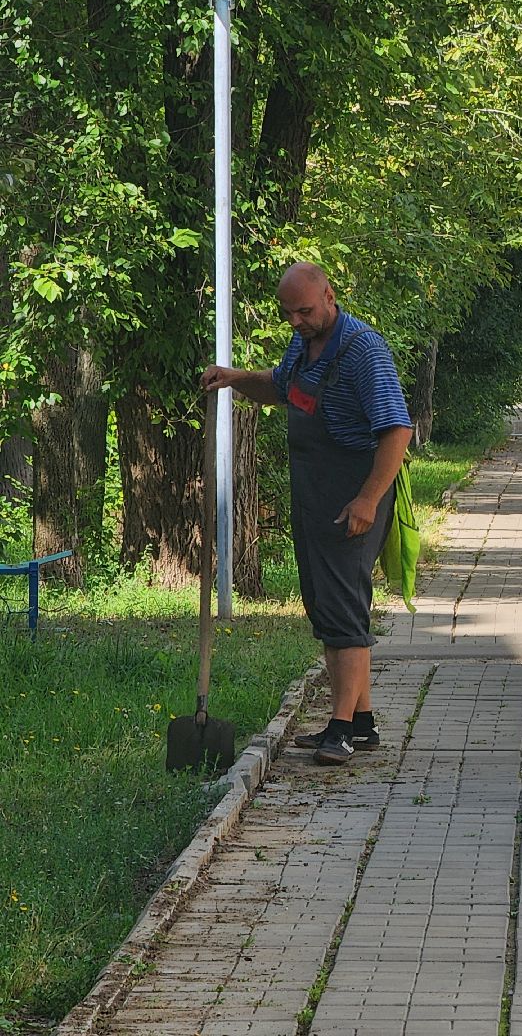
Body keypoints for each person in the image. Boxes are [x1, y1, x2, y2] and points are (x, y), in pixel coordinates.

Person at [201, 263, 413, 766]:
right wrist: (234, 380)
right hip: (313, 488)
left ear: (329, 297)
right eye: (288, 313)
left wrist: (366, 499)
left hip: (354, 490)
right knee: (324, 606)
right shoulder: (303, 345)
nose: (296, 320)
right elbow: (280, 388)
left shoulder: (363, 350)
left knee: (344, 610)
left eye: (305, 310)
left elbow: (397, 430)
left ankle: (338, 729)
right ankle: (361, 724)